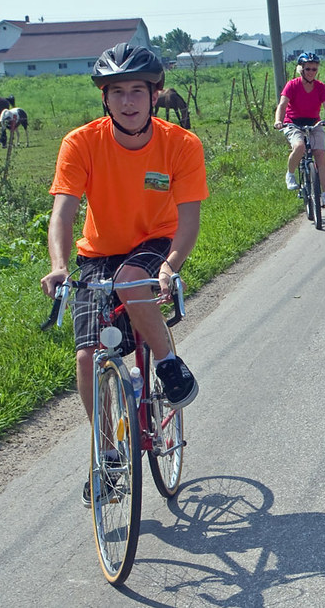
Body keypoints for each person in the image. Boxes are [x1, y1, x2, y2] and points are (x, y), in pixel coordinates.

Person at [40, 43, 208, 507]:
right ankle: (109, 456)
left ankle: (168, 364)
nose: (128, 101)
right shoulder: (81, 143)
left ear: (155, 95)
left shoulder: (181, 144)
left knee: (132, 276)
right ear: (105, 98)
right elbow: (63, 212)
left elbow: (189, 220)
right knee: (88, 357)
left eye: (138, 90)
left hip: (155, 243)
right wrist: (59, 266)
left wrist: (171, 267)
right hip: (98, 253)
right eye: (118, 92)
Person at [275, 52, 325, 207]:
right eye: (308, 69)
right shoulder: (292, 85)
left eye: (314, 69)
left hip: (314, 123)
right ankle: (290, 174)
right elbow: (282, 105)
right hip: (293, 123)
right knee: (299, 146)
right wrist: (278, 121)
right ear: (301, 69)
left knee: (320, 154)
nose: (311, 72)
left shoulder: (320, 87)